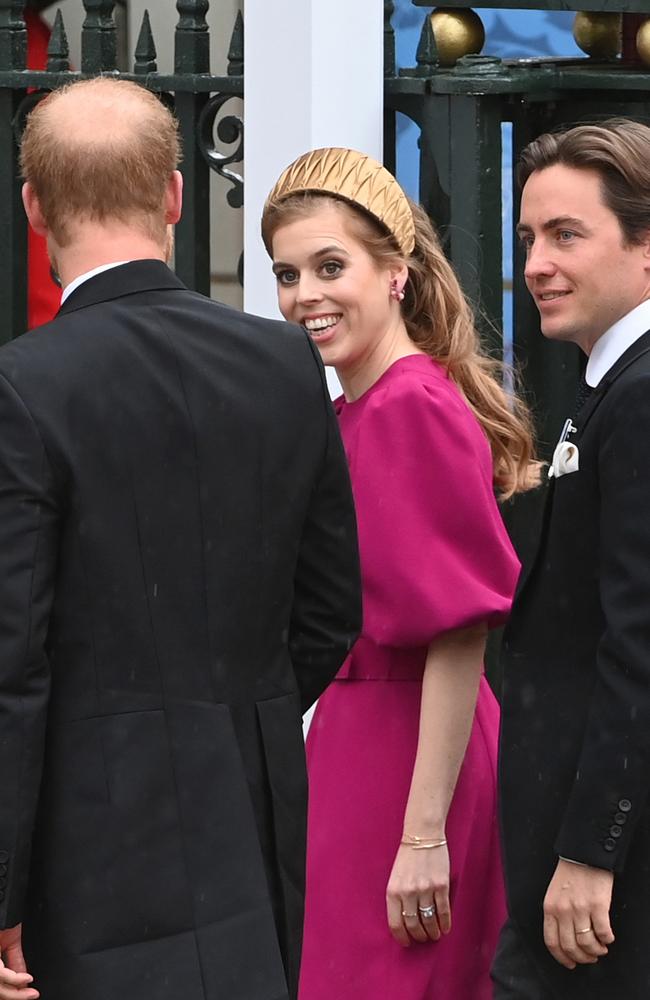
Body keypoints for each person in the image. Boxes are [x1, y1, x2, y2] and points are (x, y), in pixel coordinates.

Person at [0, 78, 361, 1000]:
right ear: (173, 194)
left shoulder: (23, 386)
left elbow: (14, 661)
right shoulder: (285, 363)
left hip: (83, 847)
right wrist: (237, 708)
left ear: (33, 206)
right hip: (248, 813)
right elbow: (329, 611)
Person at [261, 147, 539, 1000]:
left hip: (415, 758)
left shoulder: (411, 406)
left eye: (330, 266)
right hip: (359, 749)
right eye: (287, 272)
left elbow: (456, 631)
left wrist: (423, 834)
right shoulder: (356, 408)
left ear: (396, 274)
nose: (305, 294)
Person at [494, 119, 650, 999]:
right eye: (528, 238)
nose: (536, 265)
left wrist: (593, 849)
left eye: (565, 235)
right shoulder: (610, 386)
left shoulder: (642, 395)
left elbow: (640, 644)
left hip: (611, 881)